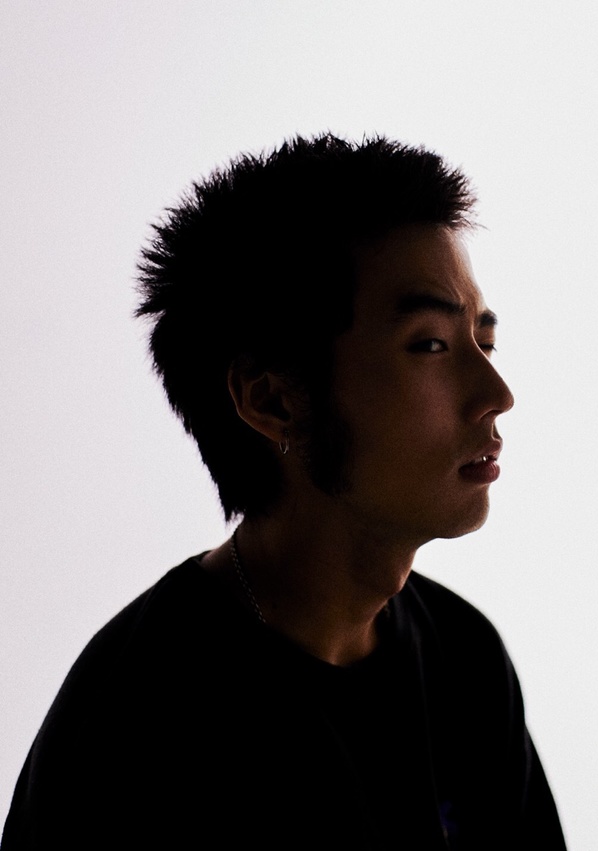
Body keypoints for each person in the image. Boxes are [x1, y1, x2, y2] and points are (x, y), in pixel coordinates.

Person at [2, 133, 567, 849]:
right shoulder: (143, 726)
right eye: (430, 344)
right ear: (273, 400)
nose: (497, 394)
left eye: (484, 341)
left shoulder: (464, 657)